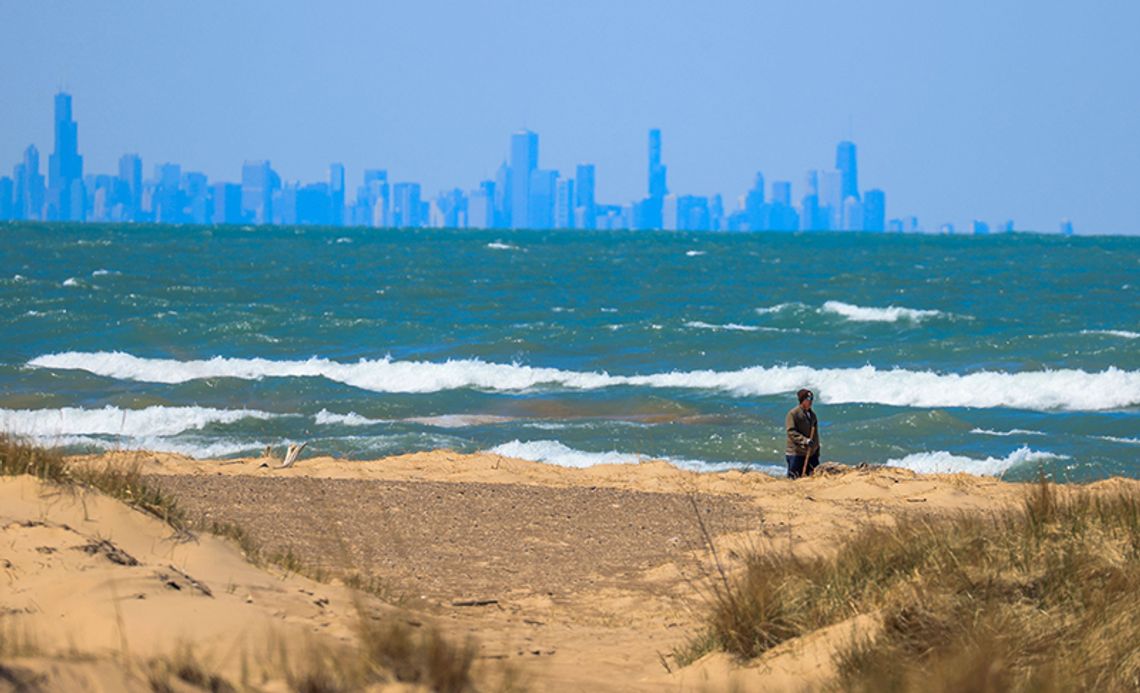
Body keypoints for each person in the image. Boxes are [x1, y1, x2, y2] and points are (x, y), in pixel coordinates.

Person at [785, 388, 819, 479]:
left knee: (813, 477)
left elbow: (815, 434)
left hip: (811, 453)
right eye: (808, 399)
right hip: (796, 453)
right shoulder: (793, 414)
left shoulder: (812, 415)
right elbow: (791, 432)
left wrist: (816, 449)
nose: (810, 402)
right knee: (794, 479)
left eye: (811, 399)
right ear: (802, 400)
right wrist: (805, 440)